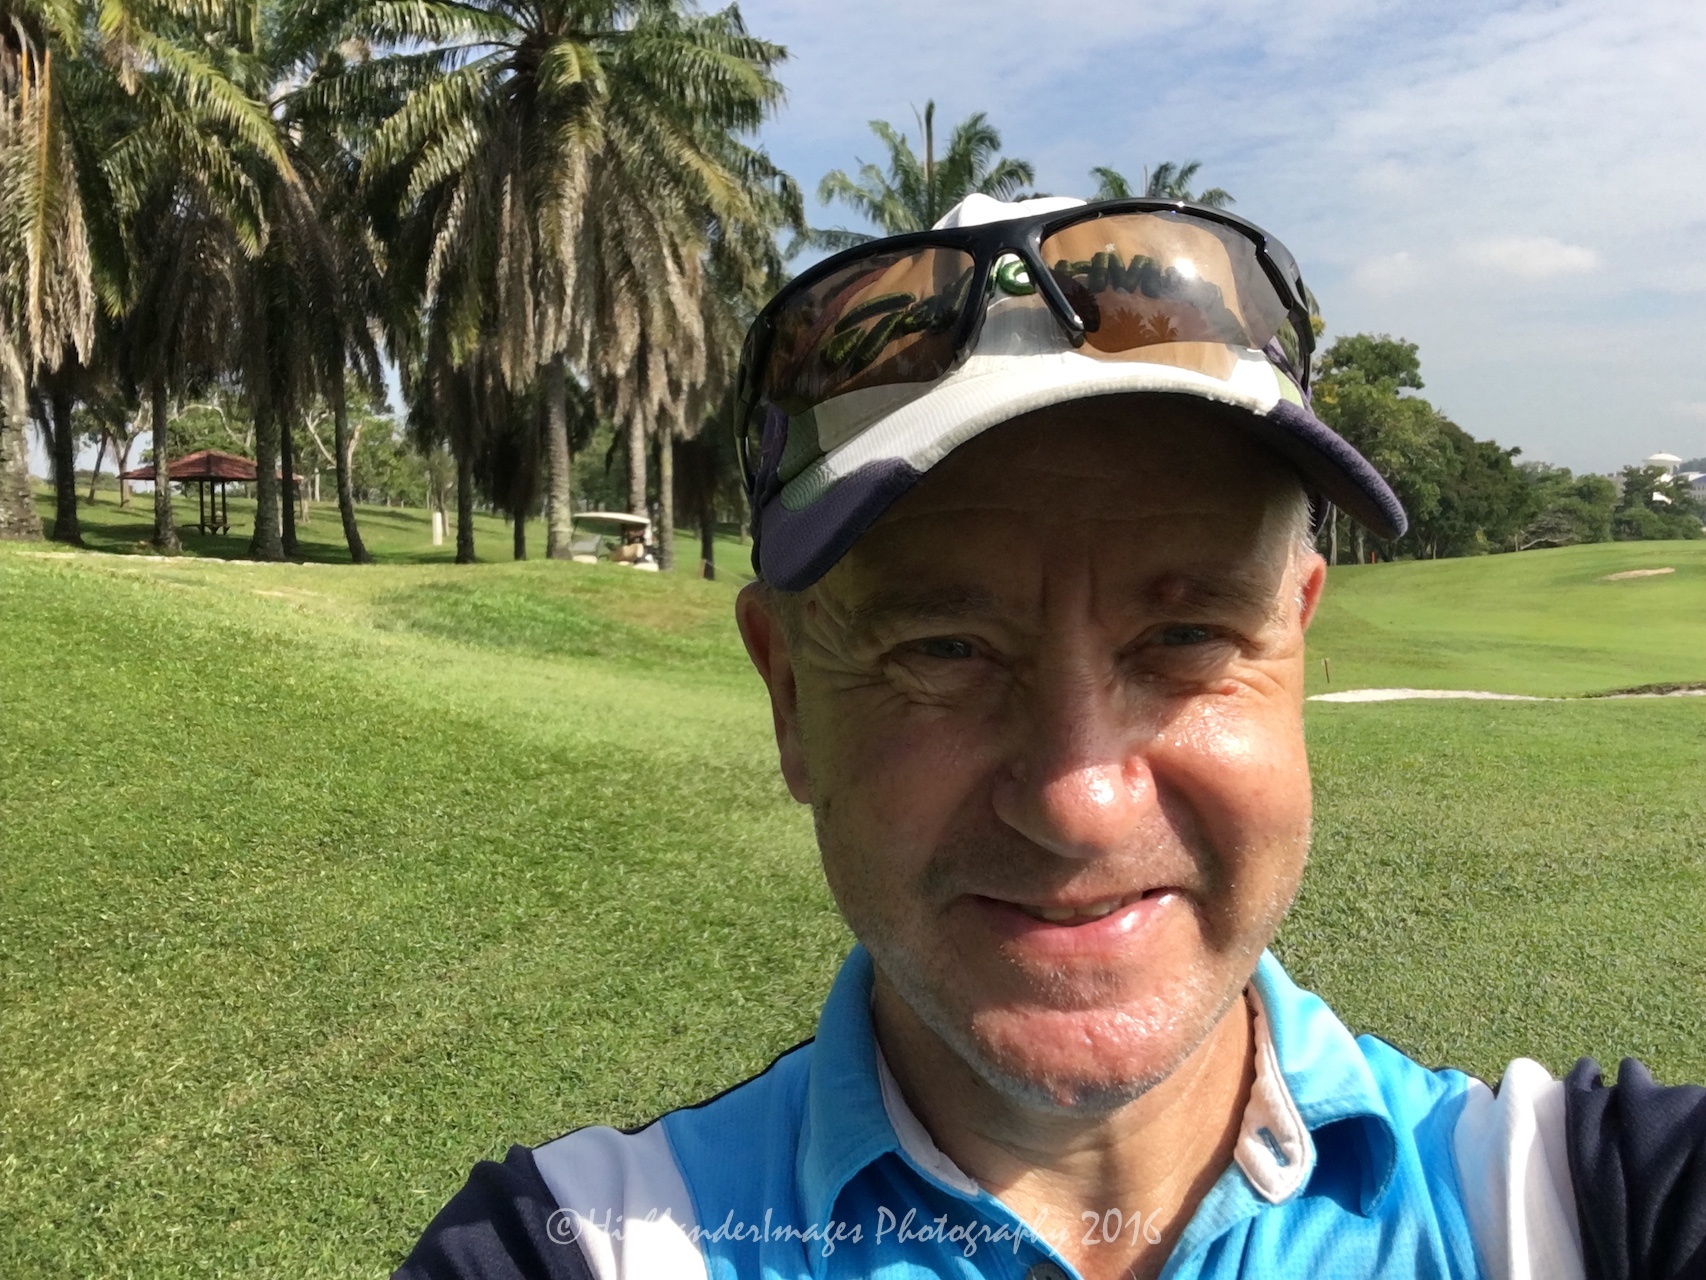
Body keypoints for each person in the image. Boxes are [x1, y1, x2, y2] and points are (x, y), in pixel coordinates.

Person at [395, 196, 1706, 1279]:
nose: (1079, 803)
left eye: (1185, 636)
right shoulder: (580, 1249)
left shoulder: (1592, 1209)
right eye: (942, 650)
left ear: (1294, 645)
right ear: (790, 698)